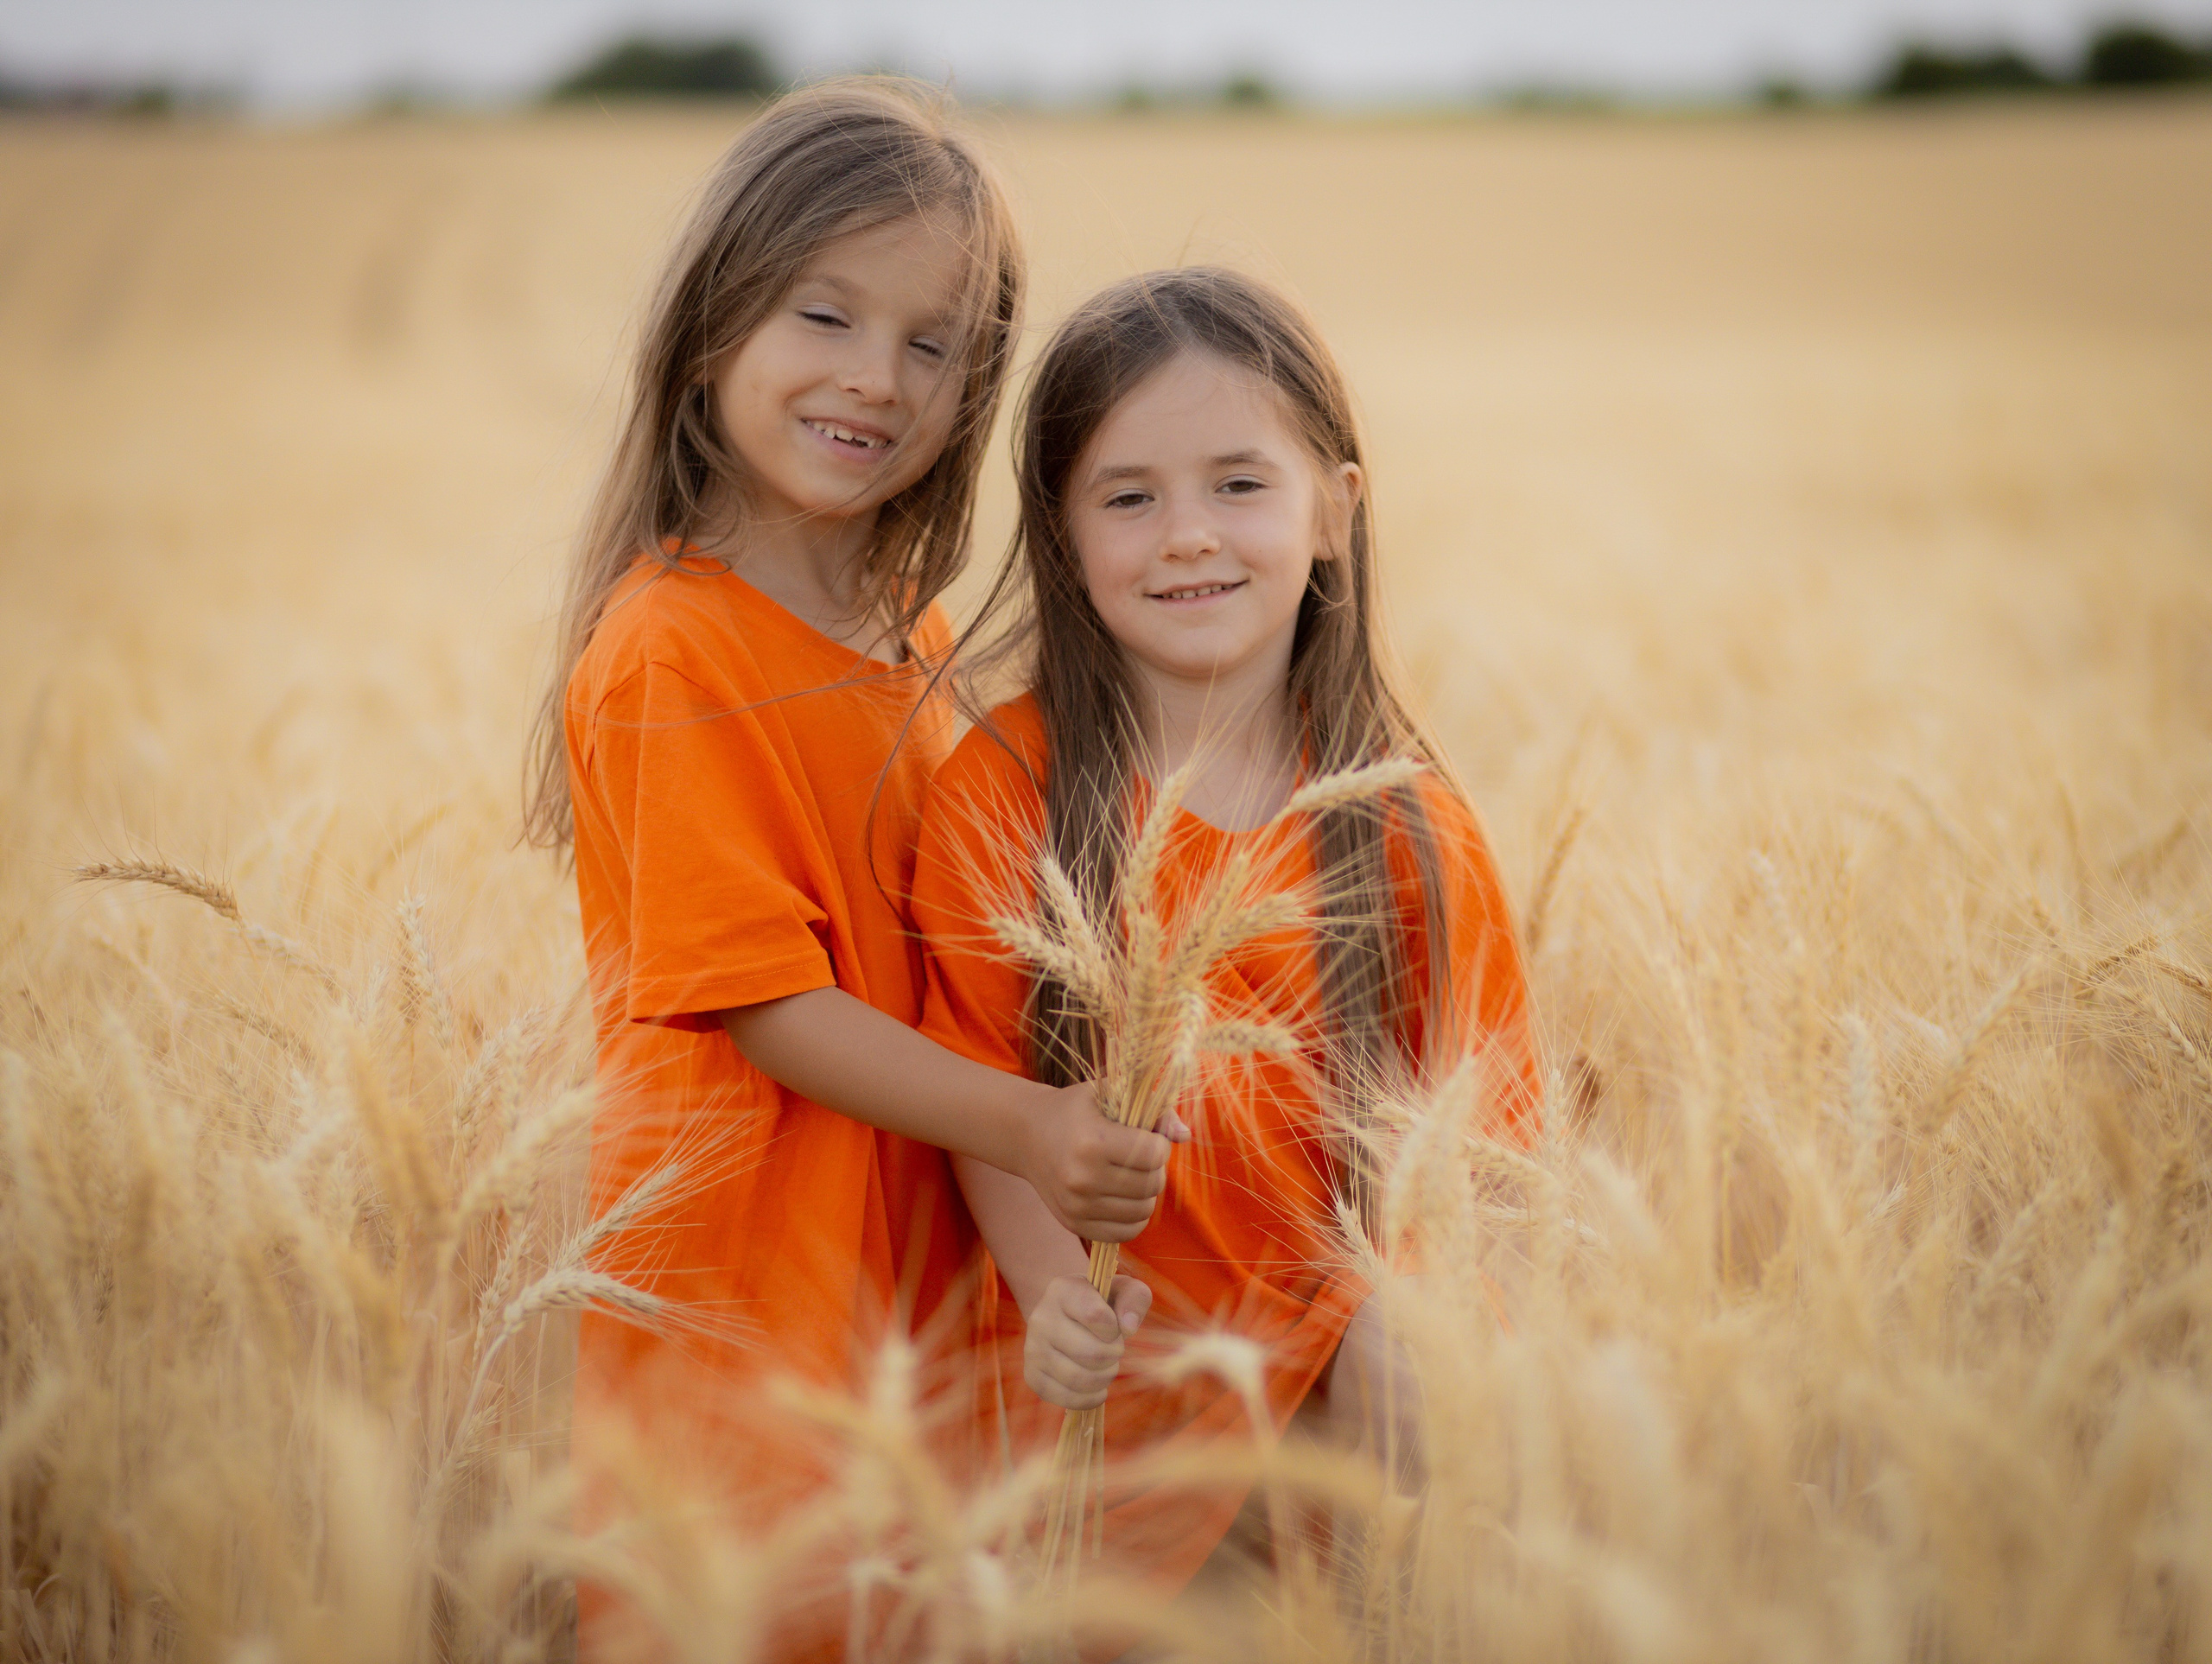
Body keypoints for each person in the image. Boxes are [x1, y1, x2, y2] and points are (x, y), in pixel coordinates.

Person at [520, 81, 1179, 1656]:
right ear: (707, 330)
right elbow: (770, 1008)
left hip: (915, 1256)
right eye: (827, 314)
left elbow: (955, 958)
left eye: (934, 342)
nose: (875, 378)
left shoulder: (914, 632)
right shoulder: (668, 645)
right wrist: (1031, 1119)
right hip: (751, 1265)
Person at [910, 267, 1541, 1613]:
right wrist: (1049, 1293)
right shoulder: (1005, 788)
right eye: (1129, 497)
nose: (1187, 534)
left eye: (1239, 484)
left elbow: (1487, 1147)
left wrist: (1427, 1332)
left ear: (1335, 512)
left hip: (1342, 1420)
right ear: (1065, 535)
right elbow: (978, 1093)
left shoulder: (1410, 828)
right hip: (1106, 1423)